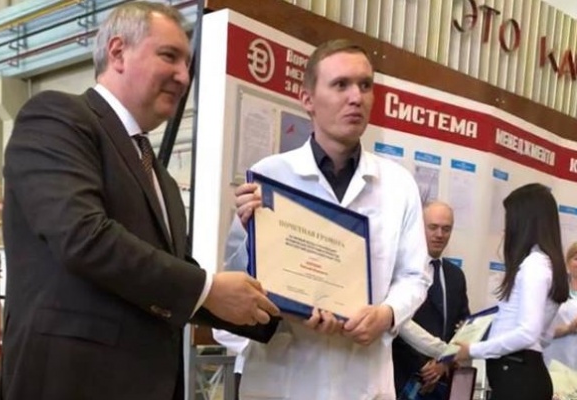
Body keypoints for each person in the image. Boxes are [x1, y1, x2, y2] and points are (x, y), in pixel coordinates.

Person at [0, 3, 279, 400]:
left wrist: (279, 315)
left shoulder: (160, 178)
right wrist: (208, 288)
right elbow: (84, 237)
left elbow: (168, 276)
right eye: (169, 56)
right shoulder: (58, 118)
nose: (183, 77)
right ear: (117, 52)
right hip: (69, 383)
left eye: (187, 64)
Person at [226, 39, 431, 399]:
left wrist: (386, 314)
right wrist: (253, 235)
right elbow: (236, 280)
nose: (356, 97)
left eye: (365, 85)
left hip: (362, 378)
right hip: (284, 376)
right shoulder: (270, 177)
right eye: (341, 84)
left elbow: (415, 275)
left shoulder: (398, 185)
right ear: (307, 99)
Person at [454, 183, 569, 400]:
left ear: (523, 223)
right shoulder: (546, 264)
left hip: (517, 377)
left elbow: (528, 333)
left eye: (509, 221)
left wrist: (472, 349)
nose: (506, 230)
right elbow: (544, 335)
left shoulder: (534, 266)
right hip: (522, 374)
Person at [393, 201, 470, 398]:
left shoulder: (456, 276)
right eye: (433, 227)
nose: (440, 234)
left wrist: (443, 363)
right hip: (403, 379)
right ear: (420, 227)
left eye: (446, 229)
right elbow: (396, 324)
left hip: (442, 381)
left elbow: (463, 327)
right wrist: (423, 368)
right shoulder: (400, 270)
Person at [544, 242, 577, 370]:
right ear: (568, 262)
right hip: (554, 358)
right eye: (576, 258)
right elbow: (539, 330)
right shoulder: (552, 289)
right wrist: (568, 329)